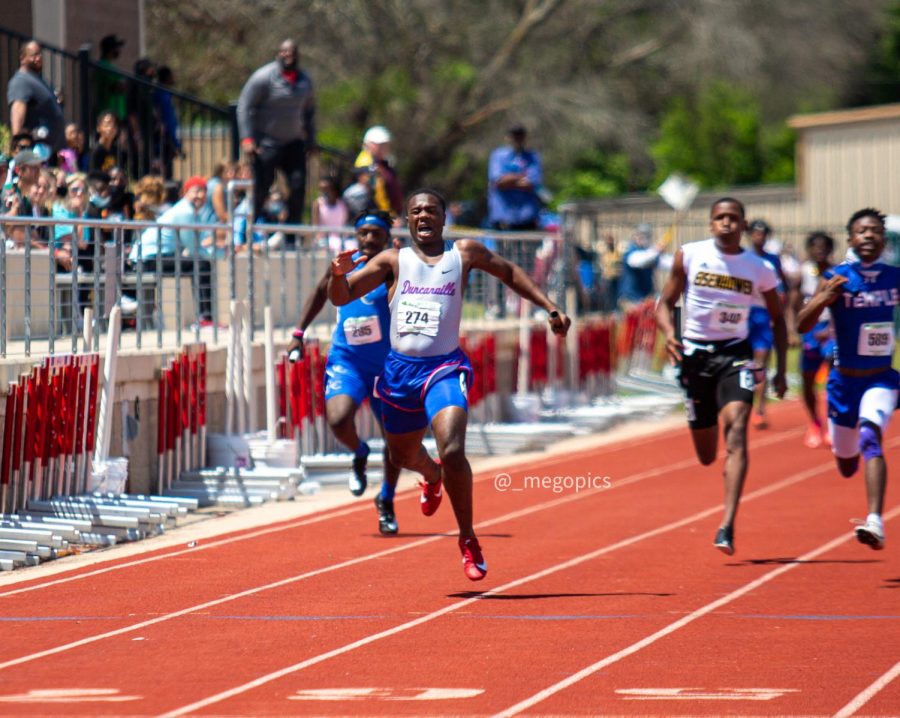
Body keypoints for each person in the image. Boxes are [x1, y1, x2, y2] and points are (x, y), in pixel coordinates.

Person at [328, 189, 570, 580]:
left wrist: (549, 307)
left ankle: (468, 538)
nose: (424, 216)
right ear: (407, 221)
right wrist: (338, 275)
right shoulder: (394, 259)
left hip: (444, 367)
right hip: (399, 372)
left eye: (431, 210)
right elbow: (342, 296)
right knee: (403, 457)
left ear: (444, 217)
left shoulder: (465, 253)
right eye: (416, 211)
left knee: (454, 448)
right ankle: (431, 475)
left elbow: (509, 272)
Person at [656, 197, 787, 556]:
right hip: (696, 357)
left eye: (733, 218)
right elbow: (664, 303)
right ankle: (707, 432)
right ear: (711, 224)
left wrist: (780, 371)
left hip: (736, 355)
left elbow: (777, 319)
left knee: (738, 431)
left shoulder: (758, 267)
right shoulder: (690, 255)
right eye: (720, 218)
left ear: (743, 225)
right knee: (705, 454)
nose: (727, 223)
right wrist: (669, 334)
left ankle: (727, 524)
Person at [288, 210, 402, 533]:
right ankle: (360, 451)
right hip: (348, 360)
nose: (368, 240)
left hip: (387, 365)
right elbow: (320, 292)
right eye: (362, 233)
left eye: (375, 234)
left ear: (386, 238)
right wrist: (298, 334)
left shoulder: (393, 267)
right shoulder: (344, 266)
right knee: (337, 419)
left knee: (395, 440)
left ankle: (387, 499)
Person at [797, 208, 899, 551]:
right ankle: (848, 453)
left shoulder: (894, 277)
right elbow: (800, 325)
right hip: (843, 384)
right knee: (845, 462)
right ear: (851, 239)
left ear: (883, 239)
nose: (868, 236)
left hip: (881, 379)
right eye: (861, 231)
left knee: (871, 436)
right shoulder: (836, 277)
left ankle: (874, 521)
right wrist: (825, 298)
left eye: (874, 231)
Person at [237, 39, 316, 227]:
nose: (289, 56)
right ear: (278, 54)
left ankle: (291, 234)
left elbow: (309, 112)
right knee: (262, 189)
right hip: (267, 143)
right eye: (285, 52)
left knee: (298, 187)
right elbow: (244, 107)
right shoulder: (263, 77)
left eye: (292, 52)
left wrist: (311, 139)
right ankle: (250, 230)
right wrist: (247, 138)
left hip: (294, 143)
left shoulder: (305, 81)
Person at [128, 176, 216, 323]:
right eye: (195, 191)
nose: (199, 195)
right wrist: (215, 253)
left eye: (203, 191)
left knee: (198, 265)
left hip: (153, 257)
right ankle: (205, 318)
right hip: (147, 259)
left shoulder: (189, 211)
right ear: (185, 193)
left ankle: (204, 317)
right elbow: (193, 247)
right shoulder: (185, 211)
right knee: (201, 265)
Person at [790, 231, 837, 449]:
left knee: (833, 380)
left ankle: (832, 424)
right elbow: (792, 305)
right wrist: (793, 331)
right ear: (809, 250)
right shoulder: (803, 273)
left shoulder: (838, 273)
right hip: (809, 332)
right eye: (815, 246)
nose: (819, 250)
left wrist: (830, 329)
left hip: (832, 333)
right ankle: (815, 423)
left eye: (824, 247)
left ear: (830, 250)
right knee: (807, 382)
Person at [745, 219, 789, 429]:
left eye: (763, 234)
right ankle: (741, 403)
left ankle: (759, 408)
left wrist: (779, 314)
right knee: (741, 363)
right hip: (743, 314)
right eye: (755, 233)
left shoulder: (773, 260)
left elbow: (783, 289)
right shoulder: (742, 257)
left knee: (760, 364)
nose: (759, 237)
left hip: (764, 314)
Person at [7, 41, 65, 158]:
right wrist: (17, 143)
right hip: (36, 152)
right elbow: (18, 108)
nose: (38, 58)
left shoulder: (38, 80)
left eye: (40, 55)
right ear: (22, 58)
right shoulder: (21, 80)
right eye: (34, 55)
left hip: (49, 152)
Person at [486, 124, 543, 231]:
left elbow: (531, 183)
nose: (517, 139)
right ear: (508, 137)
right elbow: (499, 182)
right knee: (501, 248)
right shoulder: (498, 155)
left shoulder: (533, 156)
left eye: (520, 135)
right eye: (514, 135)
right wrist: (521, 175)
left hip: (527, 218)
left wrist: (509, 179)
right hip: (503, 216)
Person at [354, 126, 403, 221]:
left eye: (386, 144)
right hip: (379, 219)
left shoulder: (381, 163)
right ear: (369, 145)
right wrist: (389, 216)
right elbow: (378, 193)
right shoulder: (366, 164)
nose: (385, 147)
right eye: (381, 145)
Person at [619, 223, 665, 309]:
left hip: (645, 299)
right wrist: (655, 251)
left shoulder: (649, 252)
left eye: (647, 236)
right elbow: (638, 261)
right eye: (641, 235)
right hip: (631, 300)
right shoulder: (630, 251)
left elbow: (664, 262)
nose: (644, 238)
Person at [312, 176, 350, 252]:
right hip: (324, 239)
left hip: (341, 238)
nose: (324, 192)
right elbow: (315, 226)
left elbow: (345, 222)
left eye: (326, 189)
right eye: (321, 189)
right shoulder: (318, 204)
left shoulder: (342, 204)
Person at [94, 34, 127, 121]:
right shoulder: (103, 66)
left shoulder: (109, 66)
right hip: (108, 113)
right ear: (111, 49)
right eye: (117, 47)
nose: (119, 50)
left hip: (116, 113)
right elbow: (115, 87)